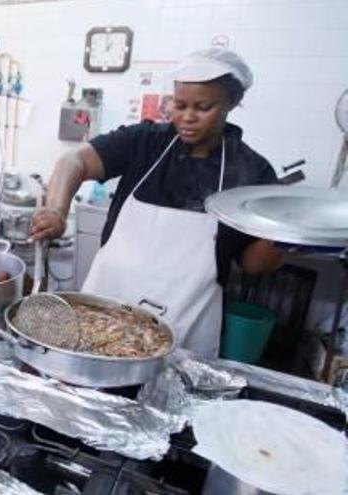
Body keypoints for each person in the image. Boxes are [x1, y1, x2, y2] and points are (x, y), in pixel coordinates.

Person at [30, 48, 284, 357]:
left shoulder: (251, 171)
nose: (187, 117)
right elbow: (74, 161)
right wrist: (57, 210)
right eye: (180, 105)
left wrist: (285, 233)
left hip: (185, 331)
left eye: (203, 107)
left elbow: (253, 264)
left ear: (230, 104)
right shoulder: (145, 142)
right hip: (103, 317)